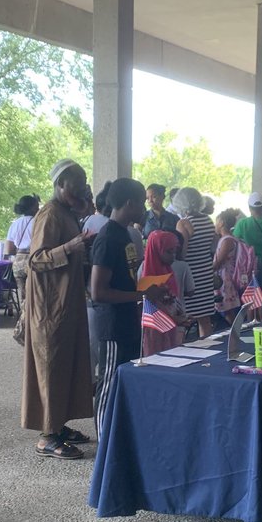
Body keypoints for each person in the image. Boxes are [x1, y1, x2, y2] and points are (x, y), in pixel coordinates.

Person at [21, 159, 95, 458]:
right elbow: (35, 260)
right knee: (51, 364)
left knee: (68, 362)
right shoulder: (49, 214)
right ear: (60, 185)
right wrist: (71, 247)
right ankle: (47, 436)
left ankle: (59, 423)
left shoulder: (67, 212)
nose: (79, 192)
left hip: (67, 302)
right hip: (50, 304)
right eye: (75, 186)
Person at [90, 178, 172, 434]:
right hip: (111, 325)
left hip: (127, 321)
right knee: (108, 384)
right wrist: (141, 296)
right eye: (141, 203)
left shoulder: (125, 233)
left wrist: (149, 290)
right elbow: (98, 291)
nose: (145, 208)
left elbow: (124, 279)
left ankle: (118, 436)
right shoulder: (107, 237)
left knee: (124, 379)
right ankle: (104, 441)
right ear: (129, 203)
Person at [174, 187, 216, 337]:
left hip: (190, 274)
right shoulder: (208, 220)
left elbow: (182, 254)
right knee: (205, 320)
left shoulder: (183, 223)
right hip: (206, 272)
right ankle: (208, 350)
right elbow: (213, 247)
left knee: (184, 319)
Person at [139, 229, 186, 356]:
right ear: (156, 251)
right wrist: (174, 318)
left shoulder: (167, 270)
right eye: (168, 252)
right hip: (156, 329)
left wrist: (181, 316)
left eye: (175, 252)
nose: (173, 256)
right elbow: (150, 307)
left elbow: (172, 298)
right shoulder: (147, 274)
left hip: (171, 326)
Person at [5, 194, 40, 343]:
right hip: (33, 260)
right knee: (36, 297)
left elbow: (9, 249)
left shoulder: (15, 224)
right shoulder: (37, 222)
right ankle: (32, 329)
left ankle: (23, 329)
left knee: (23, 298)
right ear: (33, 207)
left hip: (18, 261)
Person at [233, 193, 262, 307]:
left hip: (248, 265)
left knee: (250, 296)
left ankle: (251, 321)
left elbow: (234, 241)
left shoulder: (242, 224)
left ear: (249, 207)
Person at [213, 210, 242, 321]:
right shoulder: (228, 239)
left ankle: (234, 332)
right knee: (226, 309)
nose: (215, 225)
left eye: (216, 222)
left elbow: (219, 262)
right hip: (225, 276)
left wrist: (209, 269)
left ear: (221, 223)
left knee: (227, 309)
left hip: (225, 278)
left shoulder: (227, 240)